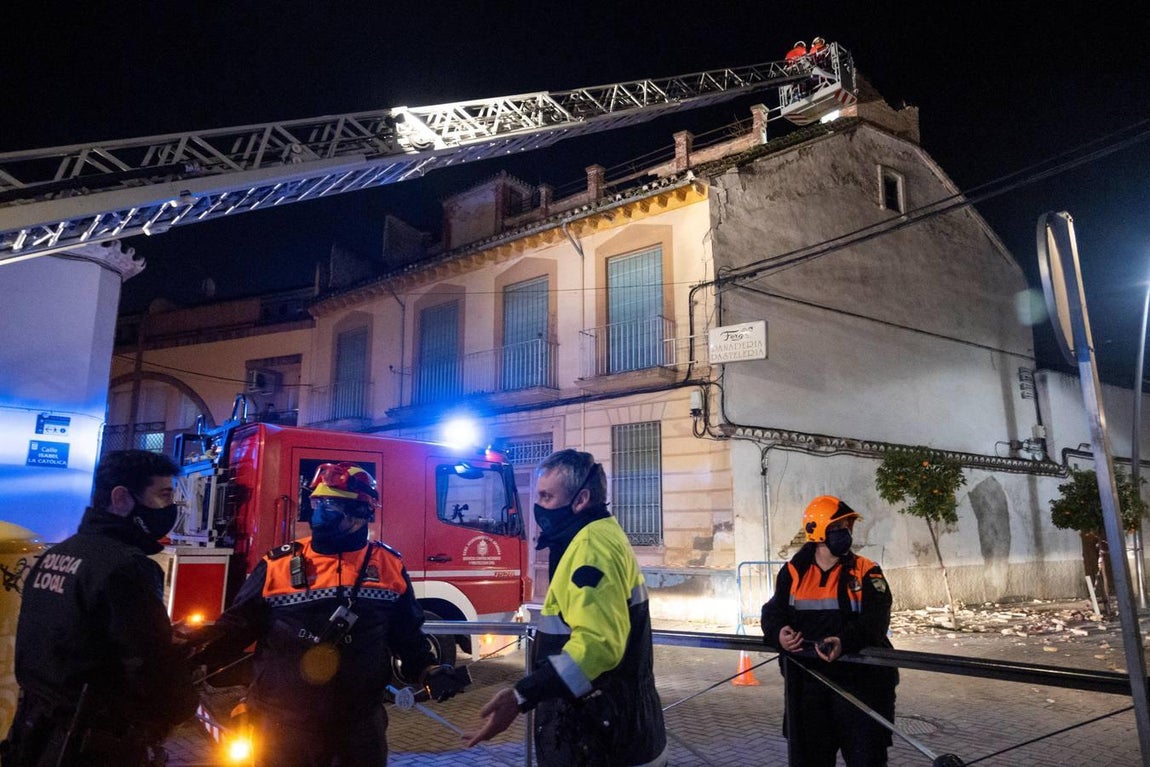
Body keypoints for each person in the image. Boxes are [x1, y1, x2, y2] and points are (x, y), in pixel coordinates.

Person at [188, 462, 466, 767]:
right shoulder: (276, 564)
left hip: (358, 728)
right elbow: (236, 628)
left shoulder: (389, 566)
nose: (319, 512)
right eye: (317, 502)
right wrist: (194, 654)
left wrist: (429, 670)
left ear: (362, 513)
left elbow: (407, 638)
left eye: (331, 504)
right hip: (282, 726)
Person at [464, 449, 667, 767]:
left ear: (581, 499)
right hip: (610, 731)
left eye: (546, 496)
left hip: (603, 740)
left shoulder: (590, 548)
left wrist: (522, 695)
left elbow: (598, 647)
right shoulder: (598, 535)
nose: (538, 507)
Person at [2, 450, 197, 766]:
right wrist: (181, 703)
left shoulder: (60, 554)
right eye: (163, 496)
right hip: (94, 745)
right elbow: (150, 665)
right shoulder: (126, 567)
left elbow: (72, 638)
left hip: (35, 735)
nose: (169, 509)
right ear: (121, 498)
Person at [761, 495, 898, 767]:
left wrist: (843, 641)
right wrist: (779, 633)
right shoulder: (793, 573)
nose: (847, 533)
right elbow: (772, 611)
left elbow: (876, 621)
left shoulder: (867, 571)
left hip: (860, 691)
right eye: (840, 527)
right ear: (818, 533)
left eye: (848, 527)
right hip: (808, 691)